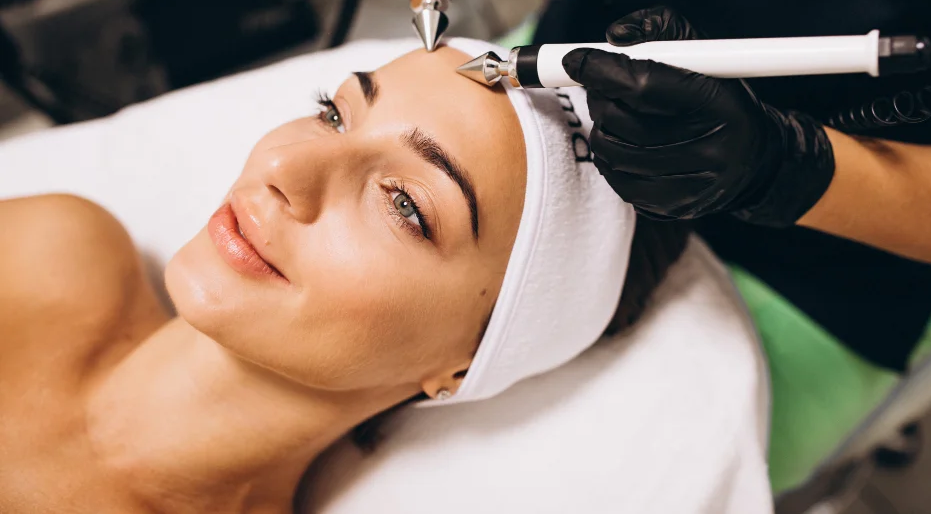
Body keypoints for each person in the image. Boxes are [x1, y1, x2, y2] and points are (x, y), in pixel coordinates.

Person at [354, 0, 931, 490]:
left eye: (409, 207)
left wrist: (787, 167)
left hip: (834, 250)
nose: (296, 170)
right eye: (334, 114)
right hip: (574, 73)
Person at [0, 45, 687, 512]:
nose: (283, 169)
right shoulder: (53, 249)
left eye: (405, 205)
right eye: (334, 114)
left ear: (463, 364)